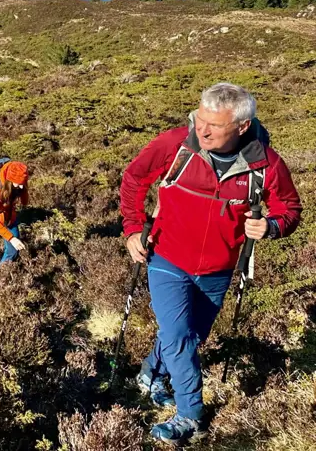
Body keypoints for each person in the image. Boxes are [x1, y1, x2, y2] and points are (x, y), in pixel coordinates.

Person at [120, 83, 302, 445]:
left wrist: (271, 226)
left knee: (192, 336)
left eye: (213, 126)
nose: (201, 130)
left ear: (242, 127)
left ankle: (150, 374)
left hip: (218, 269)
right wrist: (132, 229)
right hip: (166, 258)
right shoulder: (175, 146)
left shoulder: (265, 163)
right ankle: (191, 416)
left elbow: (290, 209)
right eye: (199, 120)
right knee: (179, 337)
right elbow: (134, 178)